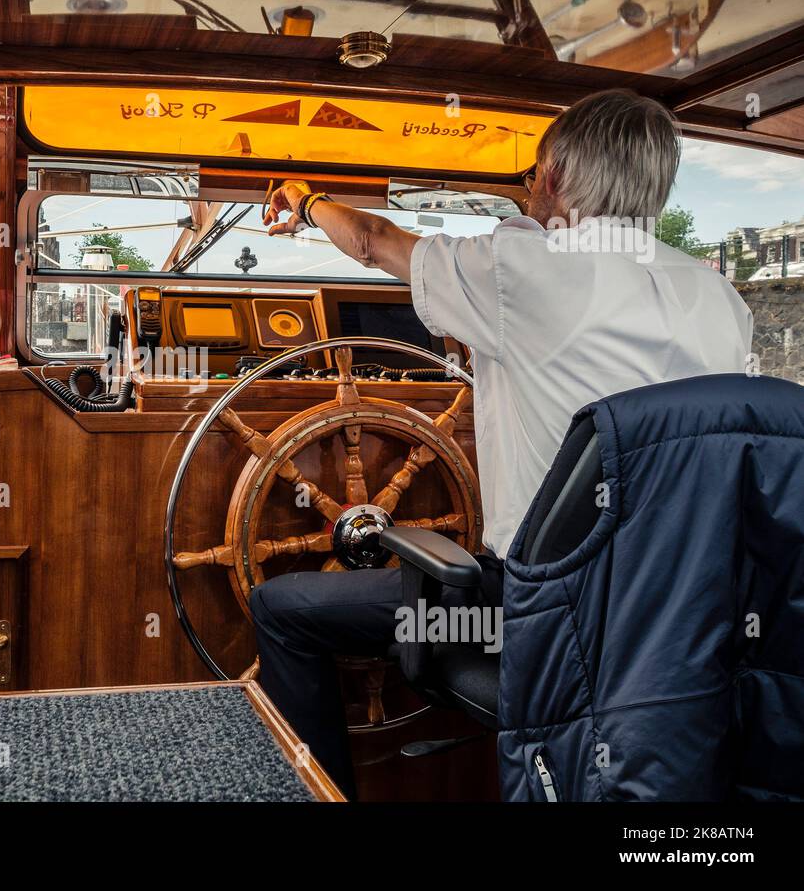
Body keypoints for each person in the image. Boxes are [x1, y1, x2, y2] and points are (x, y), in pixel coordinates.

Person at [255, 88, 754, 797]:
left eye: (531, 176)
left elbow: (371, 240)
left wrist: (304, 201)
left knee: (286, 607)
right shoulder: (718, 298)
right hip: (688, 619)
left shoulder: (523, 269)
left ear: (549, 178)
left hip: (554, 614)